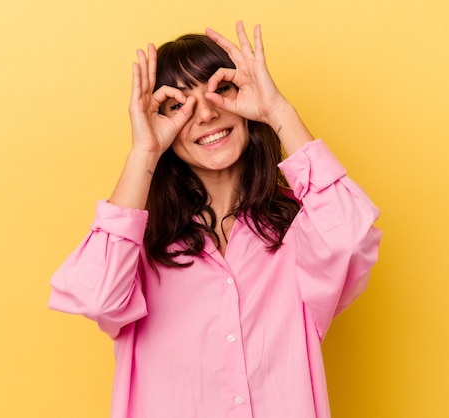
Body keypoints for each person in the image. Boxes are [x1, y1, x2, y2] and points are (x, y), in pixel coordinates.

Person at [49, 21, 381, 418]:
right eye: (178, 105)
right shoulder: (138, 244)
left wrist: (278, 111)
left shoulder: (299, 229)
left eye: (219, 89)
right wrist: (144, 152)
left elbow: (350, 238)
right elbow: (95, 296)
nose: (205, 113)